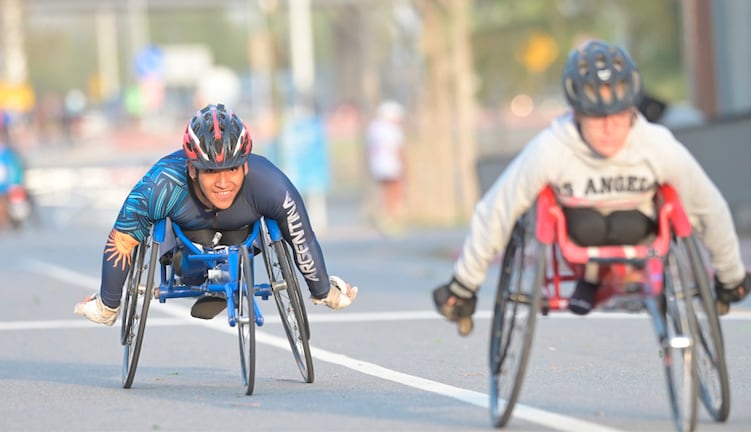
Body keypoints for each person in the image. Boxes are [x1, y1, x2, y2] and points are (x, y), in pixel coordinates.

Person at [432, 40, 750, 335]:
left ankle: (622, 278)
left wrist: (730, 275)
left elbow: (709, 209)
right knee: (589, 224)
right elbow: (498, 210)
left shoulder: (657, 145)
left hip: (641, 232)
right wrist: (464, 285)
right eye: (597, 119)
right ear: (577, 114)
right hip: (580, 236)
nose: (610, 129)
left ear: (631, 110)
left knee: (636, 219)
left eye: (618, 116)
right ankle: (595, 279)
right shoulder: (552, 147)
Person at [74, 104, 358, 326]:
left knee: (250, 238)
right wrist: (108, 305)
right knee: (185, 260)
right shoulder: (161, 184)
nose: (223, 183)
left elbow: (302, 240)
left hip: (244, 233)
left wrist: (323, 291)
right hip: (185, 239)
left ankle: (225, 277)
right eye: (211, 172)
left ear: (246, 166)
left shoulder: (272, 185)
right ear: (193, 169)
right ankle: (204, 277)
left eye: (232, 170)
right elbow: (123, 241)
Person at [365, 100, 407, 233]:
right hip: (392, 164)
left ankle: (382, 216)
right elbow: (398, 149)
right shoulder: (393, 130)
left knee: (383, 193)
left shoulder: (374, 128)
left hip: (377, 165)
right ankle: (391, 221)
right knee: (394, 193)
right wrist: (405, 165)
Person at [0, 107, 27, 232]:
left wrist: (14, 180)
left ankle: (4, 222)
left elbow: (12, 166)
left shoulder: (5, 152)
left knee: (2, 202)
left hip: (3, 182)